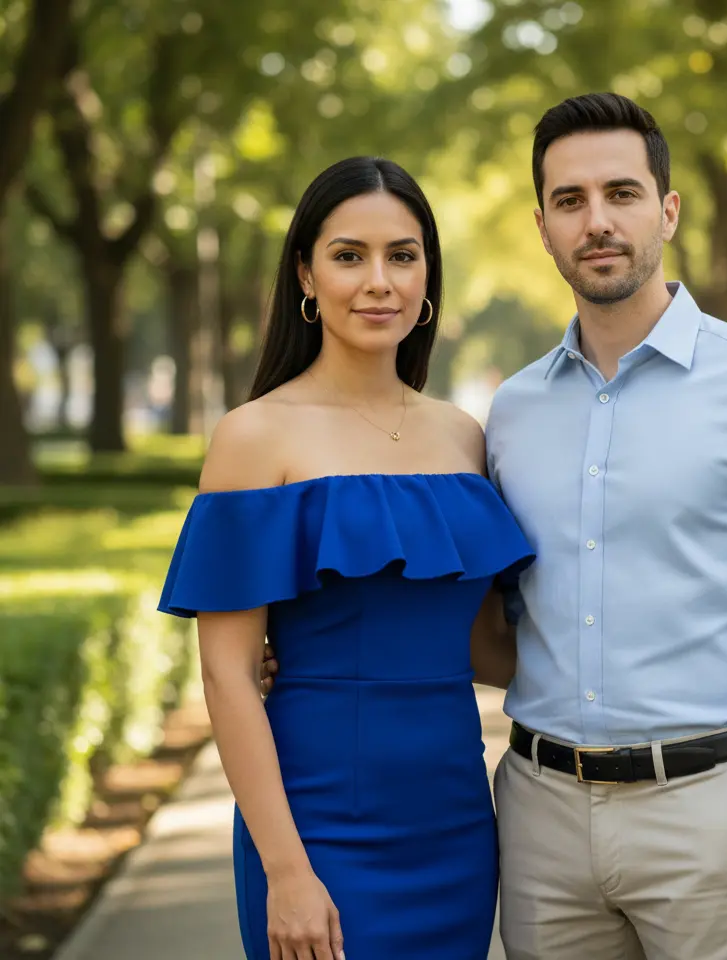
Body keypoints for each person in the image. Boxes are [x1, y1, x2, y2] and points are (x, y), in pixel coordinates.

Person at [263, 93, 727, 959]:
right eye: (570, 200)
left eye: (622, 193)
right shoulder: (511, 413)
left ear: (667, 211)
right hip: (539, 820)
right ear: (544, 227)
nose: (597, 221)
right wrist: (302, 648)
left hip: (711, 814)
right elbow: (488, 617)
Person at [158, 156, 535, 960]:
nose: (379, 281)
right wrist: (286, 871)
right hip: (315, 829)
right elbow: (227, 676)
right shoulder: (254, 437)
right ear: (306, 273)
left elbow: (484, 645)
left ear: (428, 276)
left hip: (456, 827)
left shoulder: (464, 436)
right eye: (348, 255)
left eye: (402, 255)